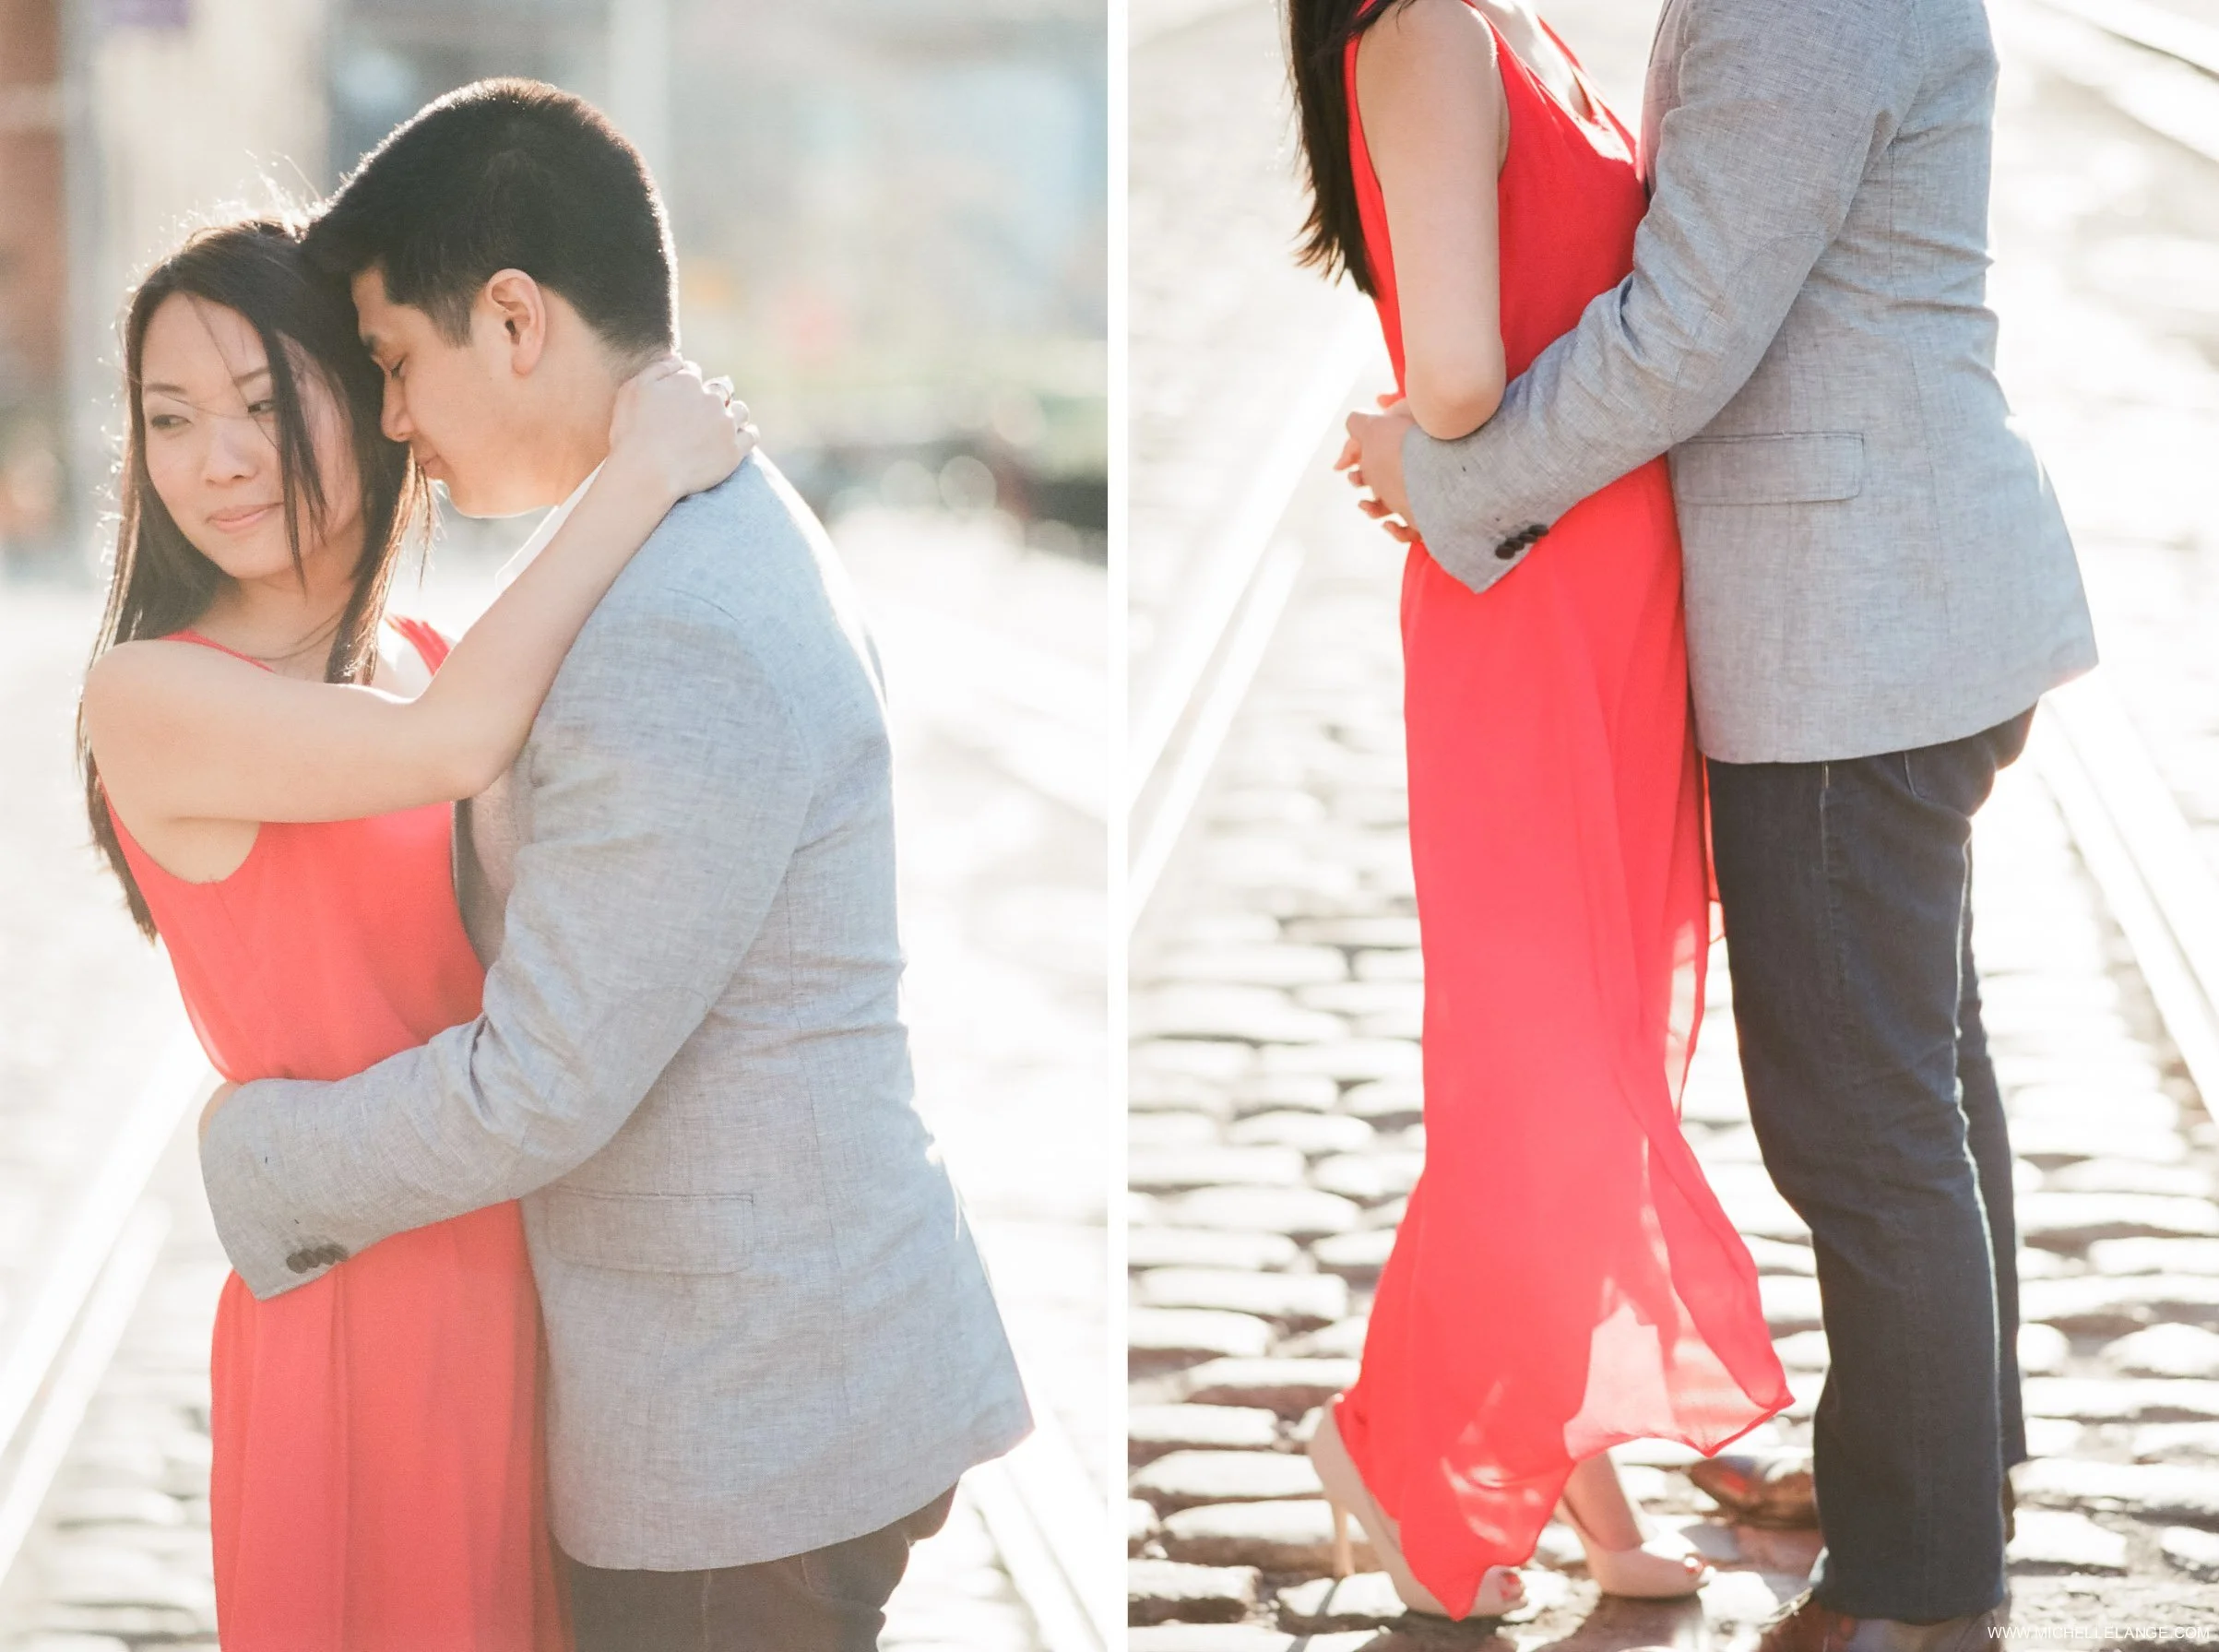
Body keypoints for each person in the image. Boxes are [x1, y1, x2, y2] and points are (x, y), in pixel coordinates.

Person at [192, 80, 1035, 1652]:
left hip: (743, 1429)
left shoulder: (677, 619)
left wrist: (262, 1153)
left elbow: (542, 1083)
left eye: (394, 360)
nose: (392, 420)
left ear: (514, 320)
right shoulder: (666, 535)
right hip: (755, 1391)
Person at [1343, 0, 2099, 1641]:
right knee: (1918, 1073)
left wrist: (1449, 478)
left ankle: (1912, 1584)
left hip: (1851, 634)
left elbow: (1685, 332)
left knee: (1859, 1118)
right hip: (1885, 611)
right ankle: (1940, 1470)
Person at [79, 215, 749, 1646]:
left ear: (371, 396)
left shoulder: (434, 659)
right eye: (171, 418)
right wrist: (635, 474)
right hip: (357, 1314)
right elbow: (445, 746)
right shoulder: (149, 694)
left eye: (264, 403)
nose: (218, 459)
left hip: (534, 1300)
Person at [1284, 0, 1794, 1622]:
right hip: (1531, 611)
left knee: (1586, 1061)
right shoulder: (1429, 30)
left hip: (1604, 600)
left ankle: (1534, 1465)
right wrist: (1415, 432)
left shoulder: (1505, 20)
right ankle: (1403, 1444)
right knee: (1546, 1075)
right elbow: (1450, 383)